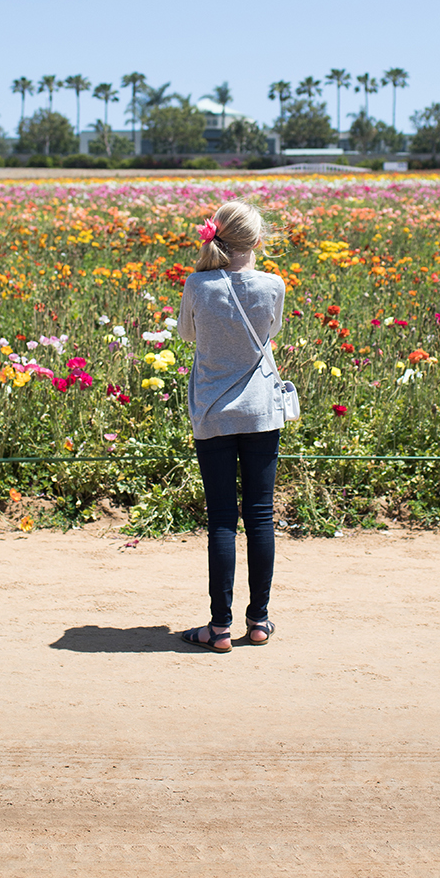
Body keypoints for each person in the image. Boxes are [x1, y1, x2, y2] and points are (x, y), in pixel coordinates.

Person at [176, 199, 285, 652]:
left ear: (214, 236)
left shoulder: (198, 286)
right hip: (260, 410)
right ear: (258, 242)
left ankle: (218, 628)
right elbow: (271, 332)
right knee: (260, 516)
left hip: (213, 412)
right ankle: (257, 621)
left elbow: (186, 335)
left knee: (222, 518)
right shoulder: (273, 285)